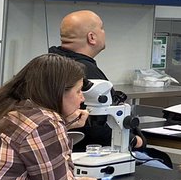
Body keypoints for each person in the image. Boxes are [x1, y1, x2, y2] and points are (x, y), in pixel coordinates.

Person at [47, 10, 155, 156]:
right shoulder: (84, 73)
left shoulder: (49, 64)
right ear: (92, 37)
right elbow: (96, 127)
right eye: (102, 28)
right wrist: (135, 141)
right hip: (87, 152)